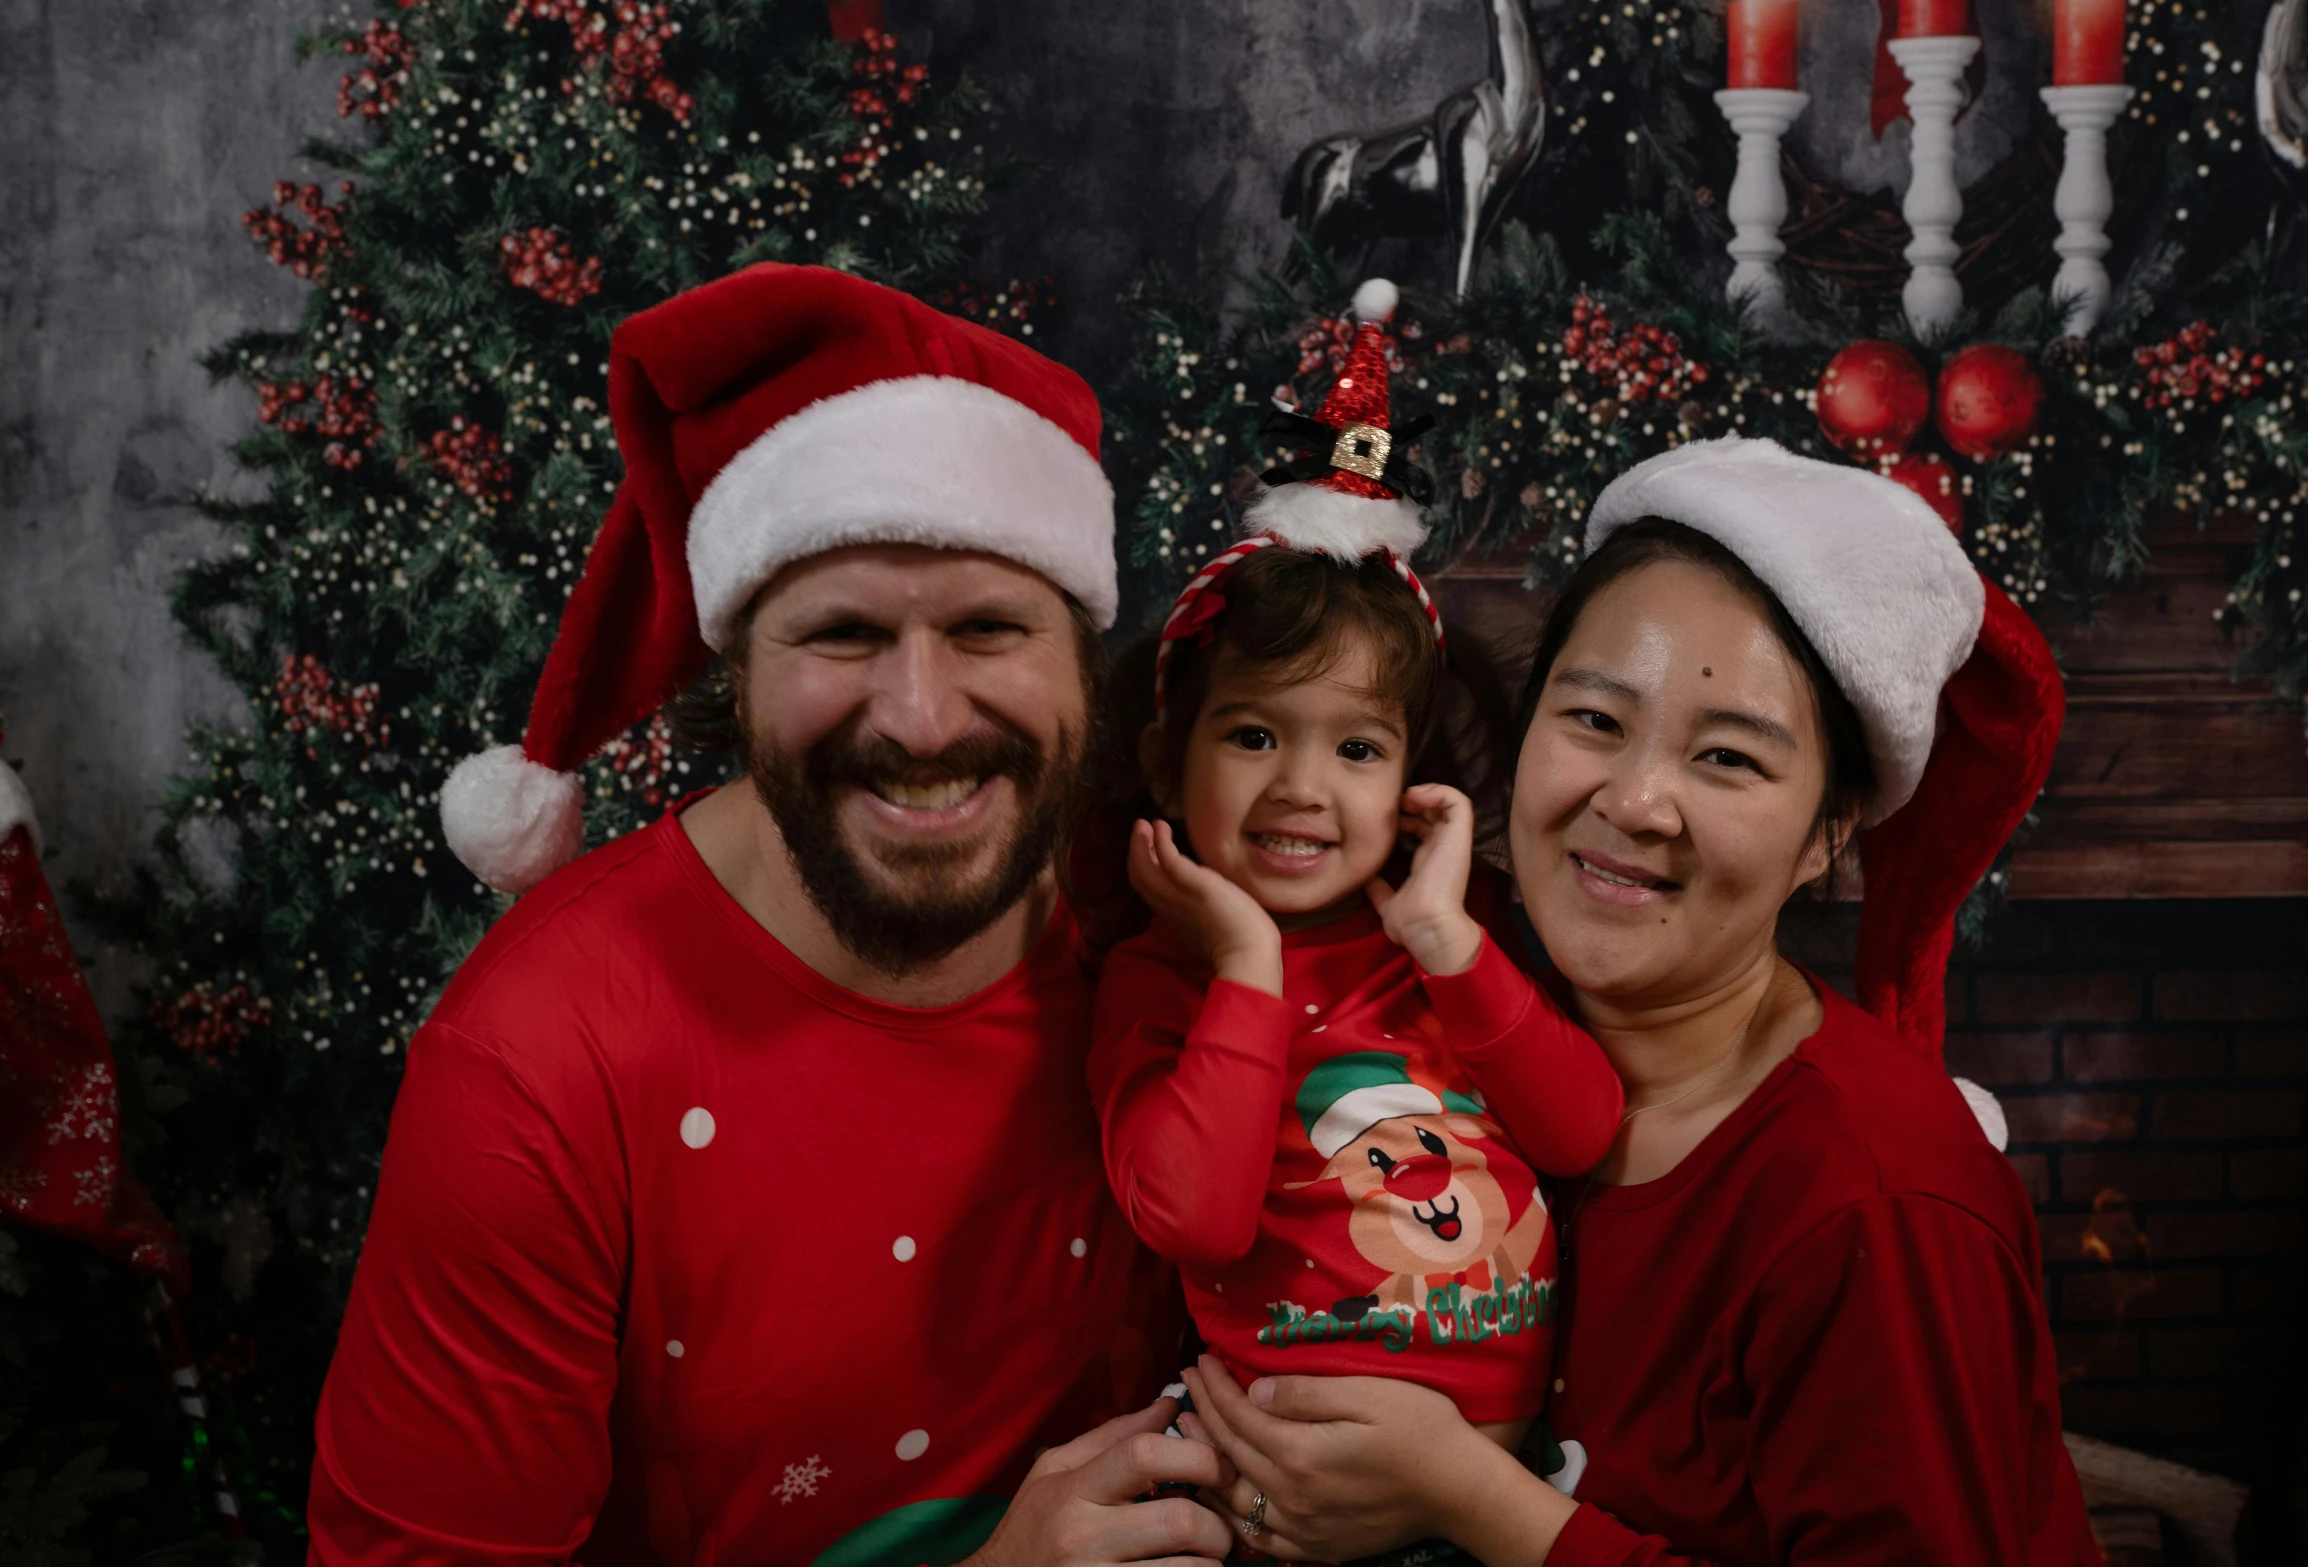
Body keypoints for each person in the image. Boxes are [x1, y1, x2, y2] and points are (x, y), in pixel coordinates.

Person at [307, 265, 1233, 1566]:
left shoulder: (1185, 919)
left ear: (1082, 660)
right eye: (842, 632)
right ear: (730, 672)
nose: (921, 715)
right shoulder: (541, 1063)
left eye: (986, 625)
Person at [1177, 436, 2100, 1565]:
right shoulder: (1432, 1013)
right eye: (1595, 722)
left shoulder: (1873, 1201)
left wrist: (1473, 1498)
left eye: (1727, 759)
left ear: (1829, 832)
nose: (1635, 800)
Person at [1087, 284, 1622, 1564]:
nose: (1302, 789)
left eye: (1358, 746)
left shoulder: (1452, 934)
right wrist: (1248, 967)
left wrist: (1447, 943)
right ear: (1170, 764)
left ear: (1408, 780)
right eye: (1254, 734)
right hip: (1288, 1496)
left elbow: (1582, 1129)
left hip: (1494, 1489)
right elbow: (1200, 1222)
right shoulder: (1159, 980)